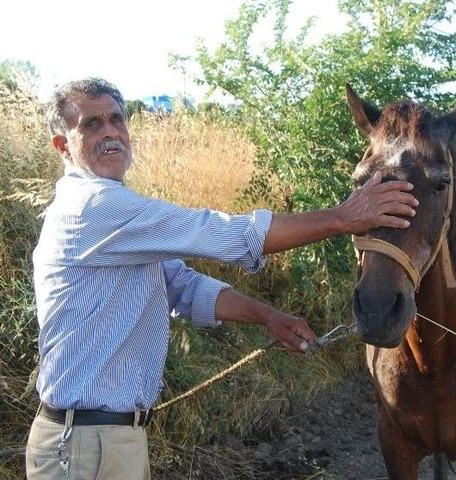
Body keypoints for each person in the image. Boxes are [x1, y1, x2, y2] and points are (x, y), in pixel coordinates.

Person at [25, 78, 418, 479]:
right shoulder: (94, 205)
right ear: (63, 146)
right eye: (91, 124)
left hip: (106, 441)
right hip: (86, 448)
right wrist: (342, 217)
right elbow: (217, 232)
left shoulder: (116, 214)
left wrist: (267, 317)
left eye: (115, 120)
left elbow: (182, 287)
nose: (109, 132)